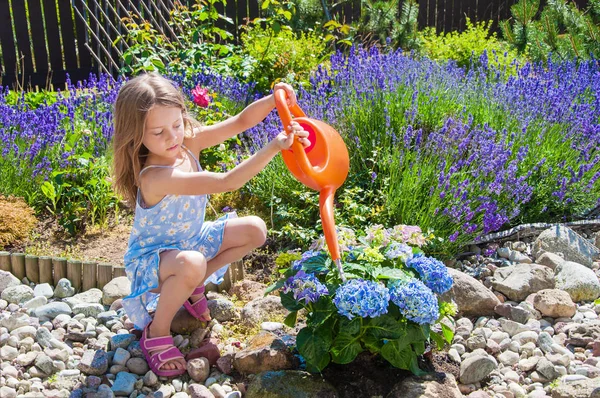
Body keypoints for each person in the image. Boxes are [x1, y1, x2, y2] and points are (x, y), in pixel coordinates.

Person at [111, 73, 310, 377]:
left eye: (177, 125)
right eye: (158, 132)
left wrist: (274, 100)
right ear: (136, 134)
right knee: (191, 263)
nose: (172, 137)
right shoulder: (154, 175)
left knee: (255, 229)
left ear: (183, 115)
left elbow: (241, 122)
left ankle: (191, 286)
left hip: (190, 243)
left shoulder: (188, 141)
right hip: (152, 262)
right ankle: (157, 330)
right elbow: (227, 182)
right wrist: (272, 148)